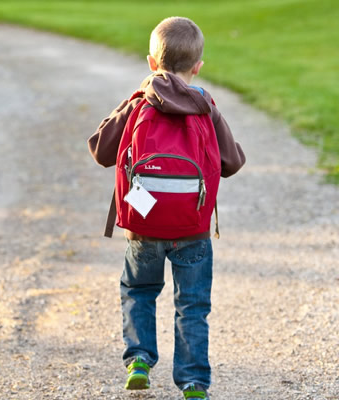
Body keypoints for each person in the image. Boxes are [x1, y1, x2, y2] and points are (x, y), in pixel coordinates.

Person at [88, 16, 245, 400]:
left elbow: (100, 149)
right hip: (192, 229)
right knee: (192, 306)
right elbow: (233, 162)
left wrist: (133, 99)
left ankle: (139, 359)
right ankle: (193, 383)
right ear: (198, 67)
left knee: (139, 290)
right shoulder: (205, 104)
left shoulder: (140, 102)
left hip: (143, 225)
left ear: (151, 63)